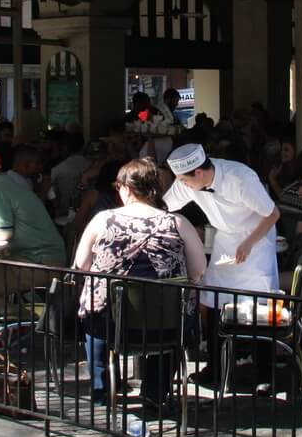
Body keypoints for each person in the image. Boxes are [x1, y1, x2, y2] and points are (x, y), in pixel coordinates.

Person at [74, 157, 207, 411]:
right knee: (169, 318)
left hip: (111, 323)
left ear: (126, 188)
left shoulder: (103, 220)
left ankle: (102, 391)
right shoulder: (178, 223)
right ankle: (155, 394)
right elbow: (199, 270)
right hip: (166, 323)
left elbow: (80, 263)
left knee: (94, 310)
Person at [166, 143, 280, 304]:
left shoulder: (241, 179)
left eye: (184, 180)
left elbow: (273, 214)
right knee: (214, 295)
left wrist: (248, 243)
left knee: (252, 303)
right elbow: (165, 206)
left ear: (198, 172)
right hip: (225, 241)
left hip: (255, 242)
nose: (183, 184)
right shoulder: (186, 180)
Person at [49, 132, 90, 217]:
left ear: (65, 147)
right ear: (83, 146)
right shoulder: (92, 166)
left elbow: (48, 187)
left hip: (63, 213)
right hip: (87, 213)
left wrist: (55, 205)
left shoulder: (57, 169)